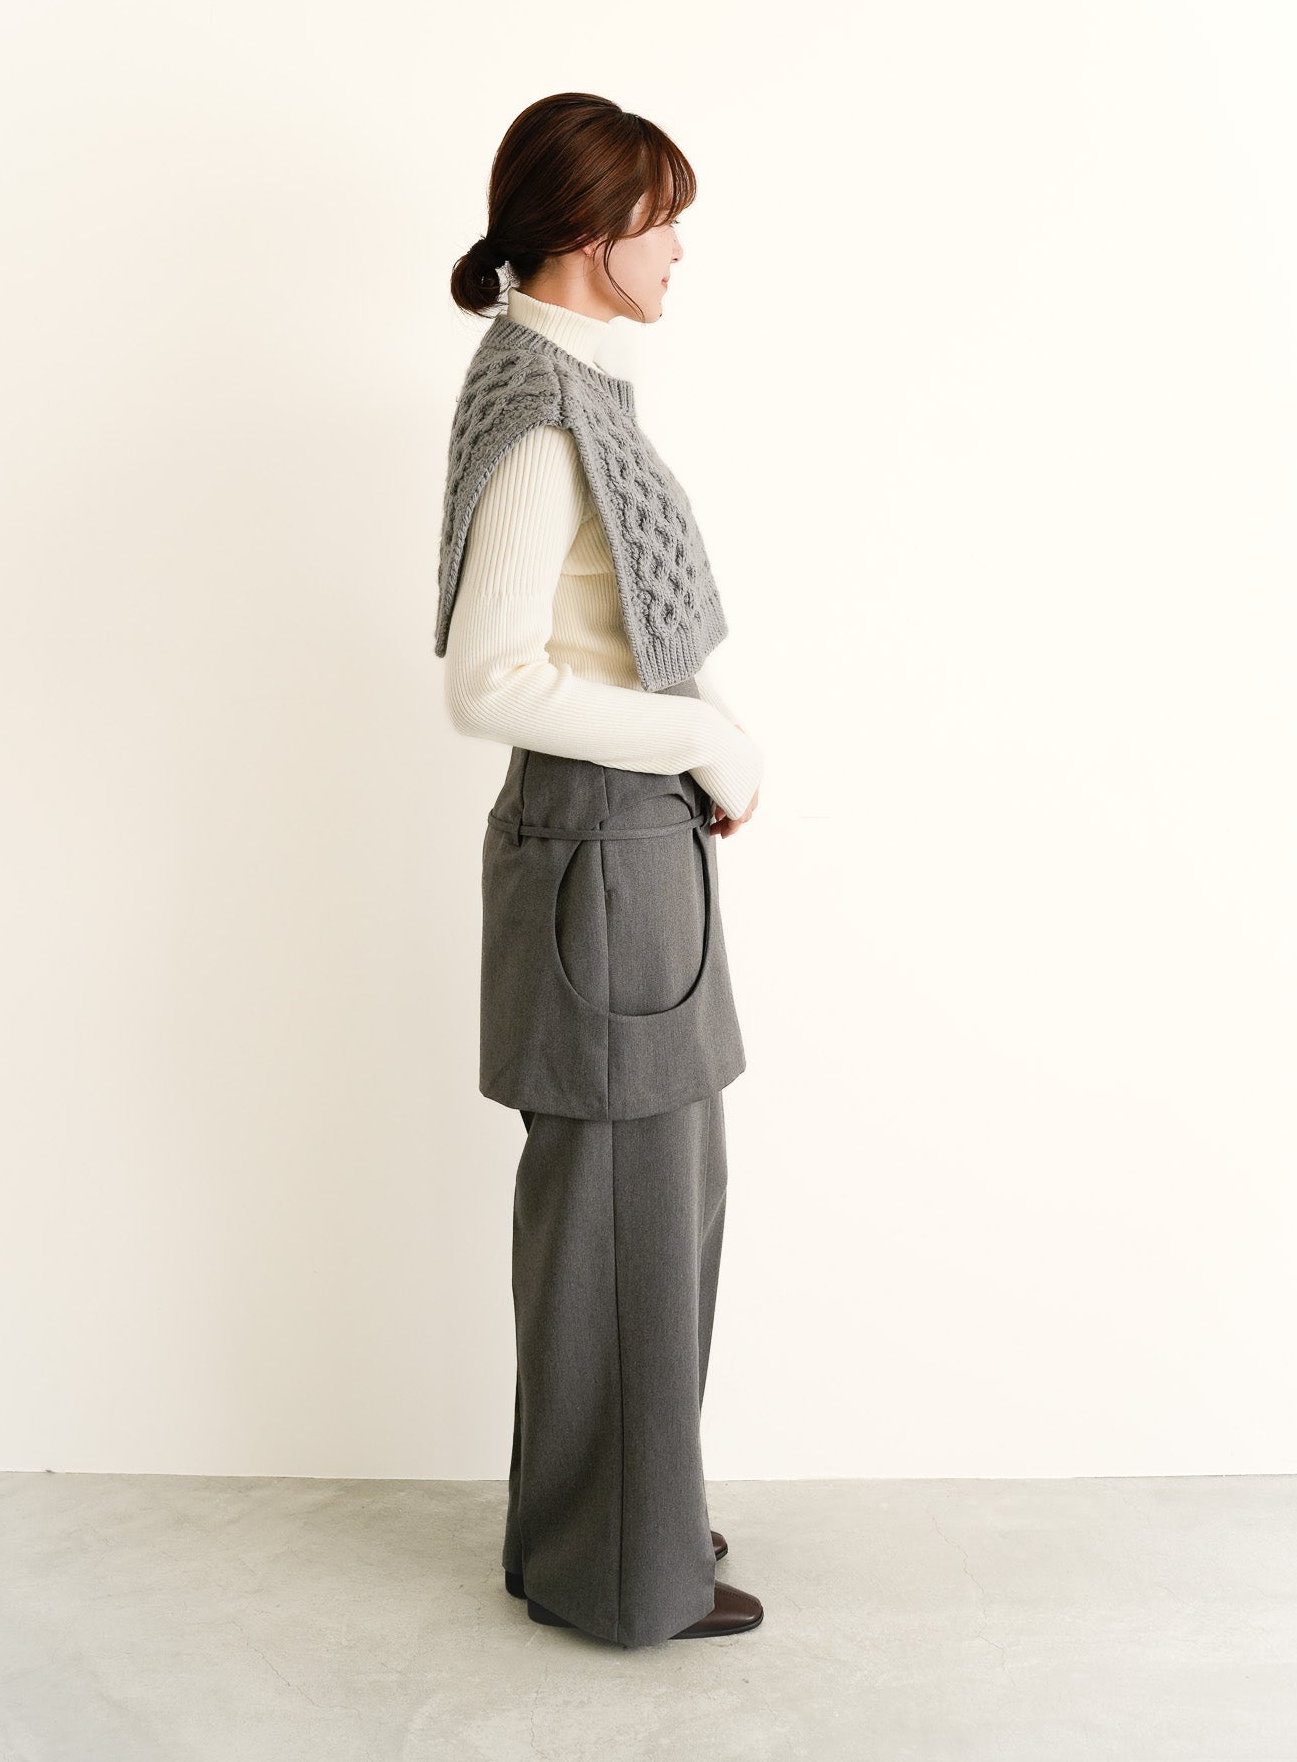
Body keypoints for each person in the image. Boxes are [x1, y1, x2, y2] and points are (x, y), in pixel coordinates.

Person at [434, 92, 765, 1648]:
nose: (679, 245)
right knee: (625, 1224)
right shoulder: (542, 411)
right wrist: (699, 736)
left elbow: (600, 637)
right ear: (587, 230)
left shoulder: (567, 383)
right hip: (605, 858)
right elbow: (491, 680)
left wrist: (705, 739)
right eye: (659, 217)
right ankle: (624, 1577)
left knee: (657, 1207)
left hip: (627, 854)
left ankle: (610, 1528)